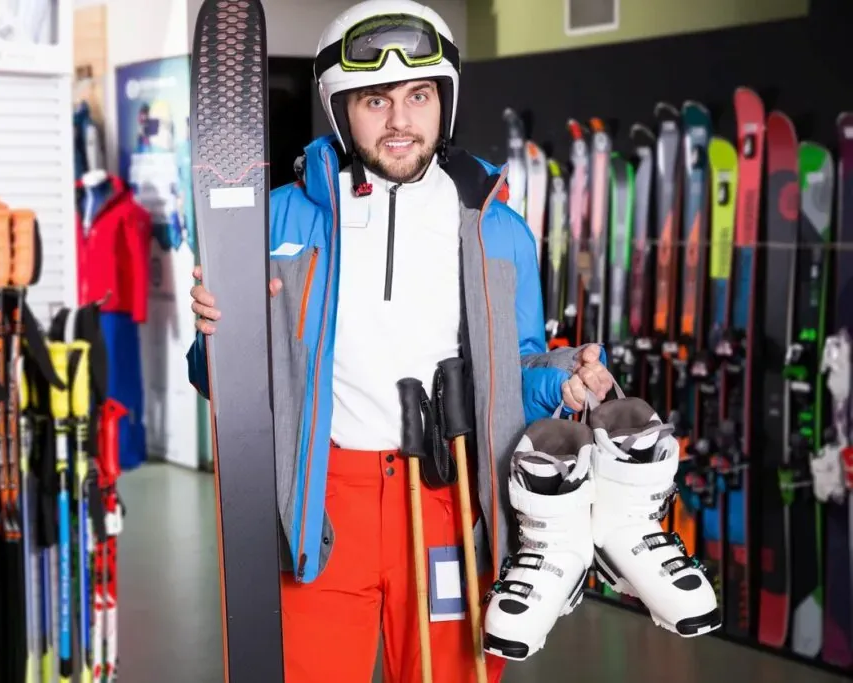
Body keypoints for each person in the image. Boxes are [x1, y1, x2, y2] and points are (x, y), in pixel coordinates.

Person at [186, 1, 614, 680]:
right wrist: (222, 331)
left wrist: (564, 379)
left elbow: (522, 366)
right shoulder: (280, 219)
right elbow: (218, 377)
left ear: (442, 101)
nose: (399, 120)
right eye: (374, 99)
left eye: (418, 95)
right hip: (324, 502)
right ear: (339, 107)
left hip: (447, 497)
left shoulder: (494, 228)